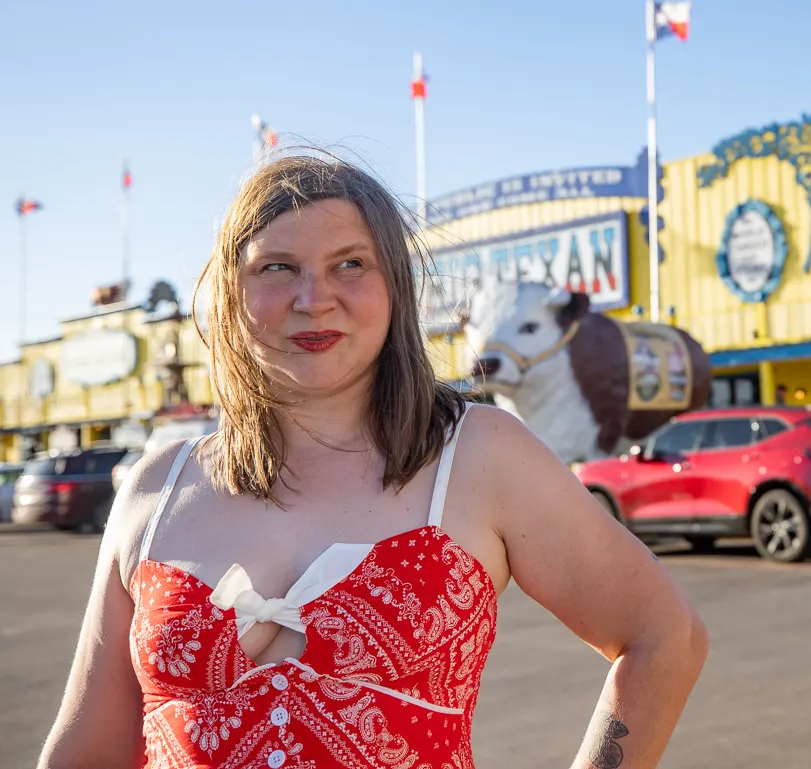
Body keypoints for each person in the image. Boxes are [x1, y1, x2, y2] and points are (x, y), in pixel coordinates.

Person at [39, 156, 708, 769]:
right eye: (277, 267)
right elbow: (85, 748)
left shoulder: (480, 454)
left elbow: (664, 637)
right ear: (229, 292)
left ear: (395, 285)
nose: (314, 297)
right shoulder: (157, 487)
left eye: (349, 264)